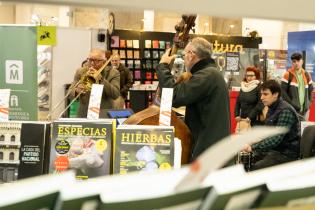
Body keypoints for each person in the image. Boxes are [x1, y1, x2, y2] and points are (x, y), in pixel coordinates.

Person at [156, 37, 230, 161]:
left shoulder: (207, 75)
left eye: (185, 54)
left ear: (191, 55)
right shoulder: (209, 73)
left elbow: (173, 96)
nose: (184, 59)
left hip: (208, 153)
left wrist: (163, 66)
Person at [243, 80, 300, 170]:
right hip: (275, 150)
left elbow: (275, 139)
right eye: (261, 94)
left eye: (265, 94)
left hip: (286, 154)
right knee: (248, 161)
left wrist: (252, 147)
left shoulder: (285, 111)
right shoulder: (271, 108)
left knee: (256, 167)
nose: (261, 98)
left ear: (275, 94)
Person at [71, 49, 120, 118]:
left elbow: (115, 94)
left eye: (96, 61)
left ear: (104, 61)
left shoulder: (113, 73)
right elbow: (70, 93)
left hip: (104, 115)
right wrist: (76, 90)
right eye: (90, 60)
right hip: (84, 114)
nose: (92, 63)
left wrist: (101, 79)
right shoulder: (81, 71)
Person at [281, 52, 313, 120]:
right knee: (294, 129)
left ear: (302, 61)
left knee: (303, 129)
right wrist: (291, 104)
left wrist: (309, 104)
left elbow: (311, 90)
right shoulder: (287, 75)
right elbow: (283, 92)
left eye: (298, 61)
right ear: (292, 63)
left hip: (305, 110)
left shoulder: (307, 75)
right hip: (292, 110)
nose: (296, 63)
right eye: (294, 61)